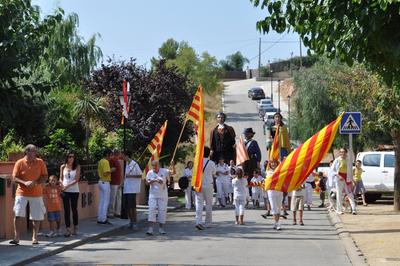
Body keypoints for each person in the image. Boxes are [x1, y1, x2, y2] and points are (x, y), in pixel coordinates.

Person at [10, 144, 48, 245]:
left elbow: (45, 176)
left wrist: (36, 182)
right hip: (21, 193)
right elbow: (14, 178)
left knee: (36, 216)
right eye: (33, 151)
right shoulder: (19, 162)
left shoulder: (40, 162)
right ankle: (16, 237)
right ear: (27, 152)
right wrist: (24, 182)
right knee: (18, 214)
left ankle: (34, 237)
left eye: (35, 151)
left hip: (36, 193)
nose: (35, 153)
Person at [145, 160, 170, 235]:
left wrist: (172, 165)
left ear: (158, 165)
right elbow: (146, 183)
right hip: (153, 195)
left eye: (155, 165)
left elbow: (173, 173)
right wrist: (154, 180)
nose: (154, 167)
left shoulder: (164, 171)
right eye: (153, 166)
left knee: (162, 211)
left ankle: (161, 228)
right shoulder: (150, 173)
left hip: (163, 195)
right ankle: (150, 229)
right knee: (152, 209)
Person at [195, 146, 216, 230]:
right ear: (208, 153)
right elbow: (214, 173)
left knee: (199, 204)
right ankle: (208, 223)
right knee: (208, 204)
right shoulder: (211, 163)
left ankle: (198, 221)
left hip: (199, 185)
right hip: (208, 185)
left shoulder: (197, 162)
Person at [60, 152, 80, 236]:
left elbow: (76, 179)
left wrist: (67, 186)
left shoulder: (77, 167)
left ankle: (75, 226)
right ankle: (68, 229)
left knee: (74, 209)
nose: (71, 158)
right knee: (66, 210)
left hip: (74, 191)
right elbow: (60, 178)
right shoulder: (63, 166)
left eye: (73, 157)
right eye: (69, 157)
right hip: (65, 191)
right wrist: (61, 184)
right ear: (67, 157)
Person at [332, 148, 357, 215]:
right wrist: (338, 176)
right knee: (339, 194)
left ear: (346, 153)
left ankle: (354, 209)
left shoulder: (349, 160)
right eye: (341, 152)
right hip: (339, 179)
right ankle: (339, 210)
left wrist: (352, 179)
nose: (342, 153)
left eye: (344, 152)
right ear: (339, 153)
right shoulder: (337, 160)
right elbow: (333, 170)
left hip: (347, 179)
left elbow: (351, 171)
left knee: (350, 194)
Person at [123, 150, 143, 230]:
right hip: (126, 188)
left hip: (132, 189)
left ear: (127, 156)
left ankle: (135, 222)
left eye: (123, 155)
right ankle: (131, 221)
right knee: (127, 206)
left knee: (132, 207)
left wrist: (131, 176)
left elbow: (140, 175)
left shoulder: (134, 164)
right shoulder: (127, 164)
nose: (123, 157)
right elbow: (125, 177)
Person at [242, 128, 261, 201]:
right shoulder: (242, 142)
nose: (246, 135)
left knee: (252, 177)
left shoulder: (254, 142)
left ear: (251, 134)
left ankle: (253, 194)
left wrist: (258, 162)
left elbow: (258, 153)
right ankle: (247, 194)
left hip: (252, 161)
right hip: (244, 162)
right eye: (245, 134)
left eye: (247, 133)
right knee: (245, 177)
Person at [97, 149, 114, 225]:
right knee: (106, 201)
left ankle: (100, 218)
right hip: (105, 182)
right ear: (107, 155)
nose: (111, 157)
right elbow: (105, 173)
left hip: (100, 181)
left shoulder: (100, 161)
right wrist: (111, 170)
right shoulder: (106, 161)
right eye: (110, 155)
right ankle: (103, 219)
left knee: (102, 201)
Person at [266, 159, 284, 230]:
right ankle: (277, 223)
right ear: (270, 164)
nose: (273, 164)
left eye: (274, 163)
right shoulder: (268, 172)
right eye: (272, 163)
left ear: (277, 163)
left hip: (279, 190)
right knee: (273, 207)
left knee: (278, 207)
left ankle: (276, 222)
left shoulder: (280, 171)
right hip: (271, 191)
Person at [108, 149, 123, 218]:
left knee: (118, 198)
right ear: (118, 153)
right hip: (113, 182)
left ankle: (117, 212)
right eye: (120, 153)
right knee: (112, 198)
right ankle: (111, 213)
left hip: (118, 182)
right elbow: (110, 170)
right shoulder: (112, 160)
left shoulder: (118, 160)